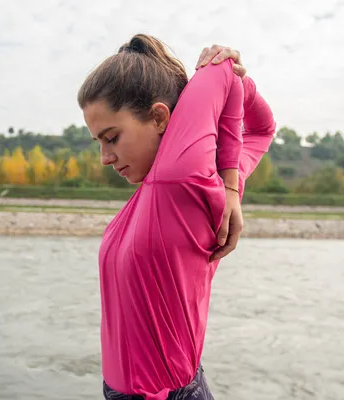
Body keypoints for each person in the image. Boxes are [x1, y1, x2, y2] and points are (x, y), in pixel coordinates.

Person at [77, 34, 276, 399]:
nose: (104, 157)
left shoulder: (179, 180)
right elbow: (261, 129)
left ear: (158, 117)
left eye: (112, 137)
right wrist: (241, 84)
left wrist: (225, 67)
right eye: (99, 142)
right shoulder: (172, 187)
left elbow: (219, 71)